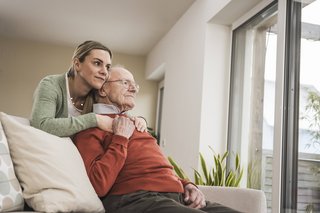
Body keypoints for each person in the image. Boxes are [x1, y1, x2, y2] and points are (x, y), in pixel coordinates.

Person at [73, 66, 240, 213]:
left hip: (176, 196)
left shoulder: (136, 123)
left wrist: (187, 185)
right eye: (125, 82)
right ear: (103, 89)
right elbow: (98, 184)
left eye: (134, 84)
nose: (133, 89)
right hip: (136, 198)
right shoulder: (91, 126)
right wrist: (120, 138)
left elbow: (155, 166)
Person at [30, 40, 146, 137]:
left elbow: (116, 113)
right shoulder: (51, 85)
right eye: (97, 63)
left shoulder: (97, 92)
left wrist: (140, 120)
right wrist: (95, 119)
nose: (104, 71)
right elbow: (40, 125)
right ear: (77, 64)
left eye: (107, 66)